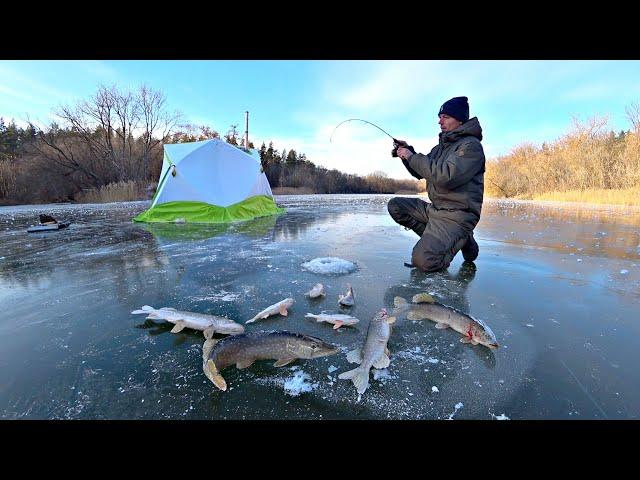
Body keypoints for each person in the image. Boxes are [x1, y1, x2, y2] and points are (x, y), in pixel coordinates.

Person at [388, 96, 485, 272]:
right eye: (440, 117)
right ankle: (443, 238)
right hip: (436, 210)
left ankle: (460, 237)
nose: (440, 121)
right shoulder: (441, 147)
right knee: (396, 206)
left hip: (458, 214)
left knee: (424, 261)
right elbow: (421, 171)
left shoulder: (471, 146)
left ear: (460, 119)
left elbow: (445, 176)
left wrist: (411, 156)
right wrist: (408, 153)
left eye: (446, 117)